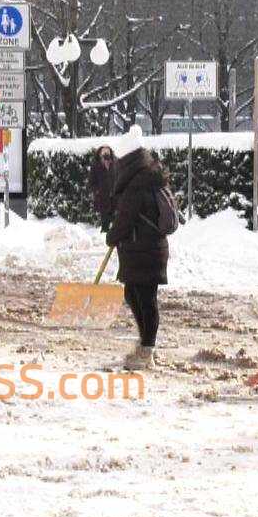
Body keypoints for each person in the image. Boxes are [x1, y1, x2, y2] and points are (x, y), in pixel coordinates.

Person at [106, 143, 175, 371]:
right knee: (136, 294)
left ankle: (147, 349)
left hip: (143, 250)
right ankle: (146, 344)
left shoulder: (137, 185)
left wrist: (112, 236)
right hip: (148, 249)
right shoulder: (150, 179)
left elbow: (125, 219)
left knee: (145, 299)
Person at [88, 145, 119, 231]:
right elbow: (91, 182)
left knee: (116, 223)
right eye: (103, 152)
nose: (106, 154)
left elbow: (120, 177)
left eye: (107, 151)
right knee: (105, 223)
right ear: (100, 153)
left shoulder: (115, 163)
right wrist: (98, 191)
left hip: (115, 199)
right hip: (103, 199)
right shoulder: (96, 165)